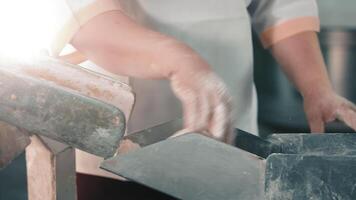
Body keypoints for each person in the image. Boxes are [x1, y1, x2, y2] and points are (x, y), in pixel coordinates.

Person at [48, 0, 356, 197]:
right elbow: (79, 15)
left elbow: (282, 4)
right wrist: (180, 60)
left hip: (231, 147)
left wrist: (317, 87)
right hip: (118, 156)